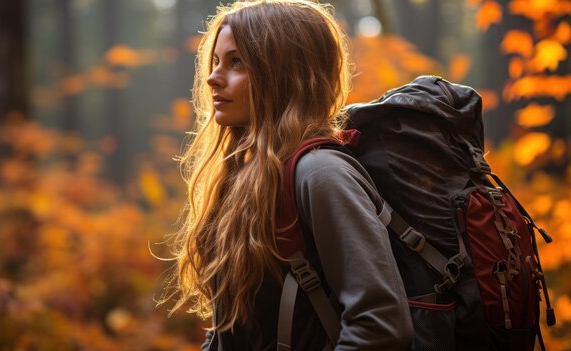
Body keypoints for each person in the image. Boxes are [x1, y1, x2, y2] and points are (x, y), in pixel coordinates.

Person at [163, 1, 413, 349]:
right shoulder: (243, 178)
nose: (212, 77)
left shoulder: (321, 174)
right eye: (216, 61)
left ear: (284, 74)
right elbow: (232, 331)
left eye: (236, 62)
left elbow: (381, 325)